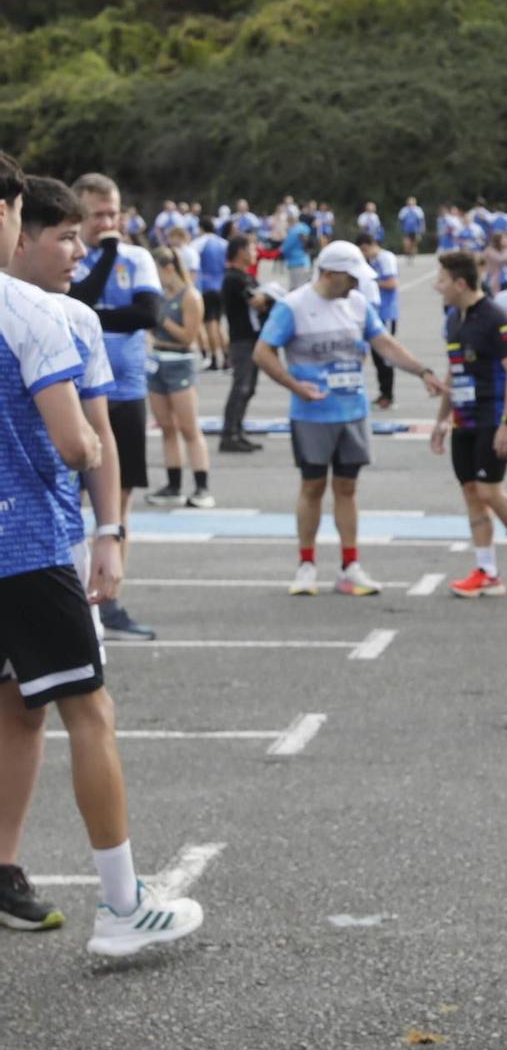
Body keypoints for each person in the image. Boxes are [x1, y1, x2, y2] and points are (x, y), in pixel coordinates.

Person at [0, 153, 206, 955]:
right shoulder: (31, 313)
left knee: (21, 709)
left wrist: (111, 529)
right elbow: (77, 440)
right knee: (92, 710)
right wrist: (86, 445)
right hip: (27, 545)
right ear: (12, 213)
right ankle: (122, 906)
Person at [257, 241, 441, 596]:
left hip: (353, 411)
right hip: (312, 414)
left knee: (347, 487)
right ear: (329, 273)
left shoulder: (358, 304)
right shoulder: (293, 306)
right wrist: (295, 386)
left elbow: (384, 343)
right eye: (351, 277)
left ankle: (350, 565)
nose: (357, 284)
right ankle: (306, 564)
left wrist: (423, 371)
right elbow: (262, 352)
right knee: (312, 486)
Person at [66, 174, 163, 642]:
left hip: (125, 390)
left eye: (114, 213)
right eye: (98, 215)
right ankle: (68, 596)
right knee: (68, 497)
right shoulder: (74, 258)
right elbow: (75, 300)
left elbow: (148, 315)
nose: (109, 223)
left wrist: (89, 317)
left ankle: (110, 599)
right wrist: (103, 254)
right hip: (71, 393)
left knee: (117, 501)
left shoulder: (137, 257)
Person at [429, 251, 507, 600]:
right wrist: (441, 420)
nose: (438, 287)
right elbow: (454, 371)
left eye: (441, 280)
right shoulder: (453, 318)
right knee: (471, 493)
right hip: (463, 418)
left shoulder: (496, 317)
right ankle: (487, 571)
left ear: (461, 283)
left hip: (491, 415)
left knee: (489, 491)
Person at [142, 247, 213, 510]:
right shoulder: (160, 295)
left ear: (168, 268)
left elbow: (188, 336)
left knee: (189, 427)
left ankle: (202, 486)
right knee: (166, 427)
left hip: (180, 363)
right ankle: (173, 485)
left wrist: (162, 319)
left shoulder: (190, 296)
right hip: (158, 361)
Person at [218, 235, 267, 454]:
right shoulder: (233, 279)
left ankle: (238, 429)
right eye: (252, 248)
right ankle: (229, 434)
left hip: (253, 338)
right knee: (241, 387)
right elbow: (256, 301)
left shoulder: (246, 276)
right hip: (242, 340)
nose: (255, 252)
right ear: (240, 251)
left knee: (250, 388)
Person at [356, 229, 401, 410]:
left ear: (369, 246)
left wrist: (371, 283)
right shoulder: (372, 260)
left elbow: (392, 283)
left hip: (386, 313)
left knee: (385, 355)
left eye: (364, 251)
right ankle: (383, 392)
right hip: (375, 312)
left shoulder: (385, 258)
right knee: (376, 356)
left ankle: (388, 394)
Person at [191, 218, 228, 371]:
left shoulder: (199, 243)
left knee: (210, 325)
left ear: (201, 228)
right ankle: (227, 358)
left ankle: (214, 358)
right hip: (222, 285)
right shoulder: (224, 243)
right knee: (220, 325)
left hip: (206, 287)